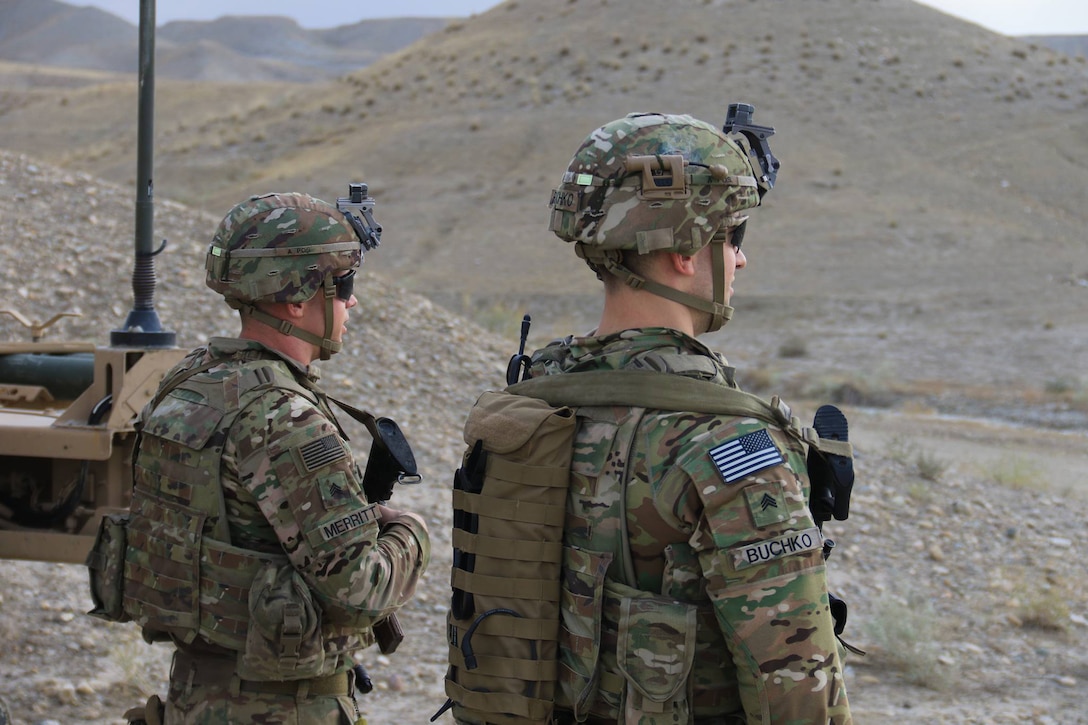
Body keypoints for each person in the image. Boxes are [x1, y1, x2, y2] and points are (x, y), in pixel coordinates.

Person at [529, 112, 851, 723]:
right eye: (732, 237)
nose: (741, 261)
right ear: (683, 250)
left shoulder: (535, 397)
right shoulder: (727, 442)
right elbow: (798, 691)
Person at [120, 191, 430, 724]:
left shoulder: (186, 383)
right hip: (281, 708)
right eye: (343, 286)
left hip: (194, 695)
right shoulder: (284, 419)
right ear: (295, 298)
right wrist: (410, 532)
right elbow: (359, 590)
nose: (351, 302)